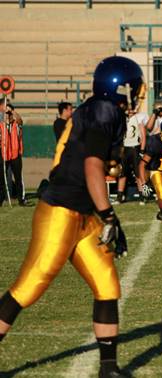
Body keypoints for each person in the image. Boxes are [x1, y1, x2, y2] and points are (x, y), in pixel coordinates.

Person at [0, 56, 143, 377]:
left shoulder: (100, 110)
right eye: (135, 87)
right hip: (61, 209)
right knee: (29, 286)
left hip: (82, 211)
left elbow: (93, 161)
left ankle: (108, 368)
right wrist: (108, 215)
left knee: (106, 282)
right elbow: (92, 165)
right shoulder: (105, 111)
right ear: (121, 88)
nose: (139, 92)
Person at [116, 107, 148, 204]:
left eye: (131, 110)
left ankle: (143, 195)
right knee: (122, 173)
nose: (129, 112)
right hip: (124, 149)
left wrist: (142, 150)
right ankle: (120, 196)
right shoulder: (121, 119)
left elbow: (143, 136)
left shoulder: (138, 118)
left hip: (135, 148)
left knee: (138, 174)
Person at [0, 103, 27, 206]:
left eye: (9, 113)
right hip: (4, 153)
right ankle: (2, 198)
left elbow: (20, 120)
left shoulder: (17, 124)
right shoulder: (1, 125)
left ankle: (21, 199)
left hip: (16, 153)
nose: (8, 115)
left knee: (18, 178)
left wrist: (11, 111)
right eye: (6, 113)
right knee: (2, 178)